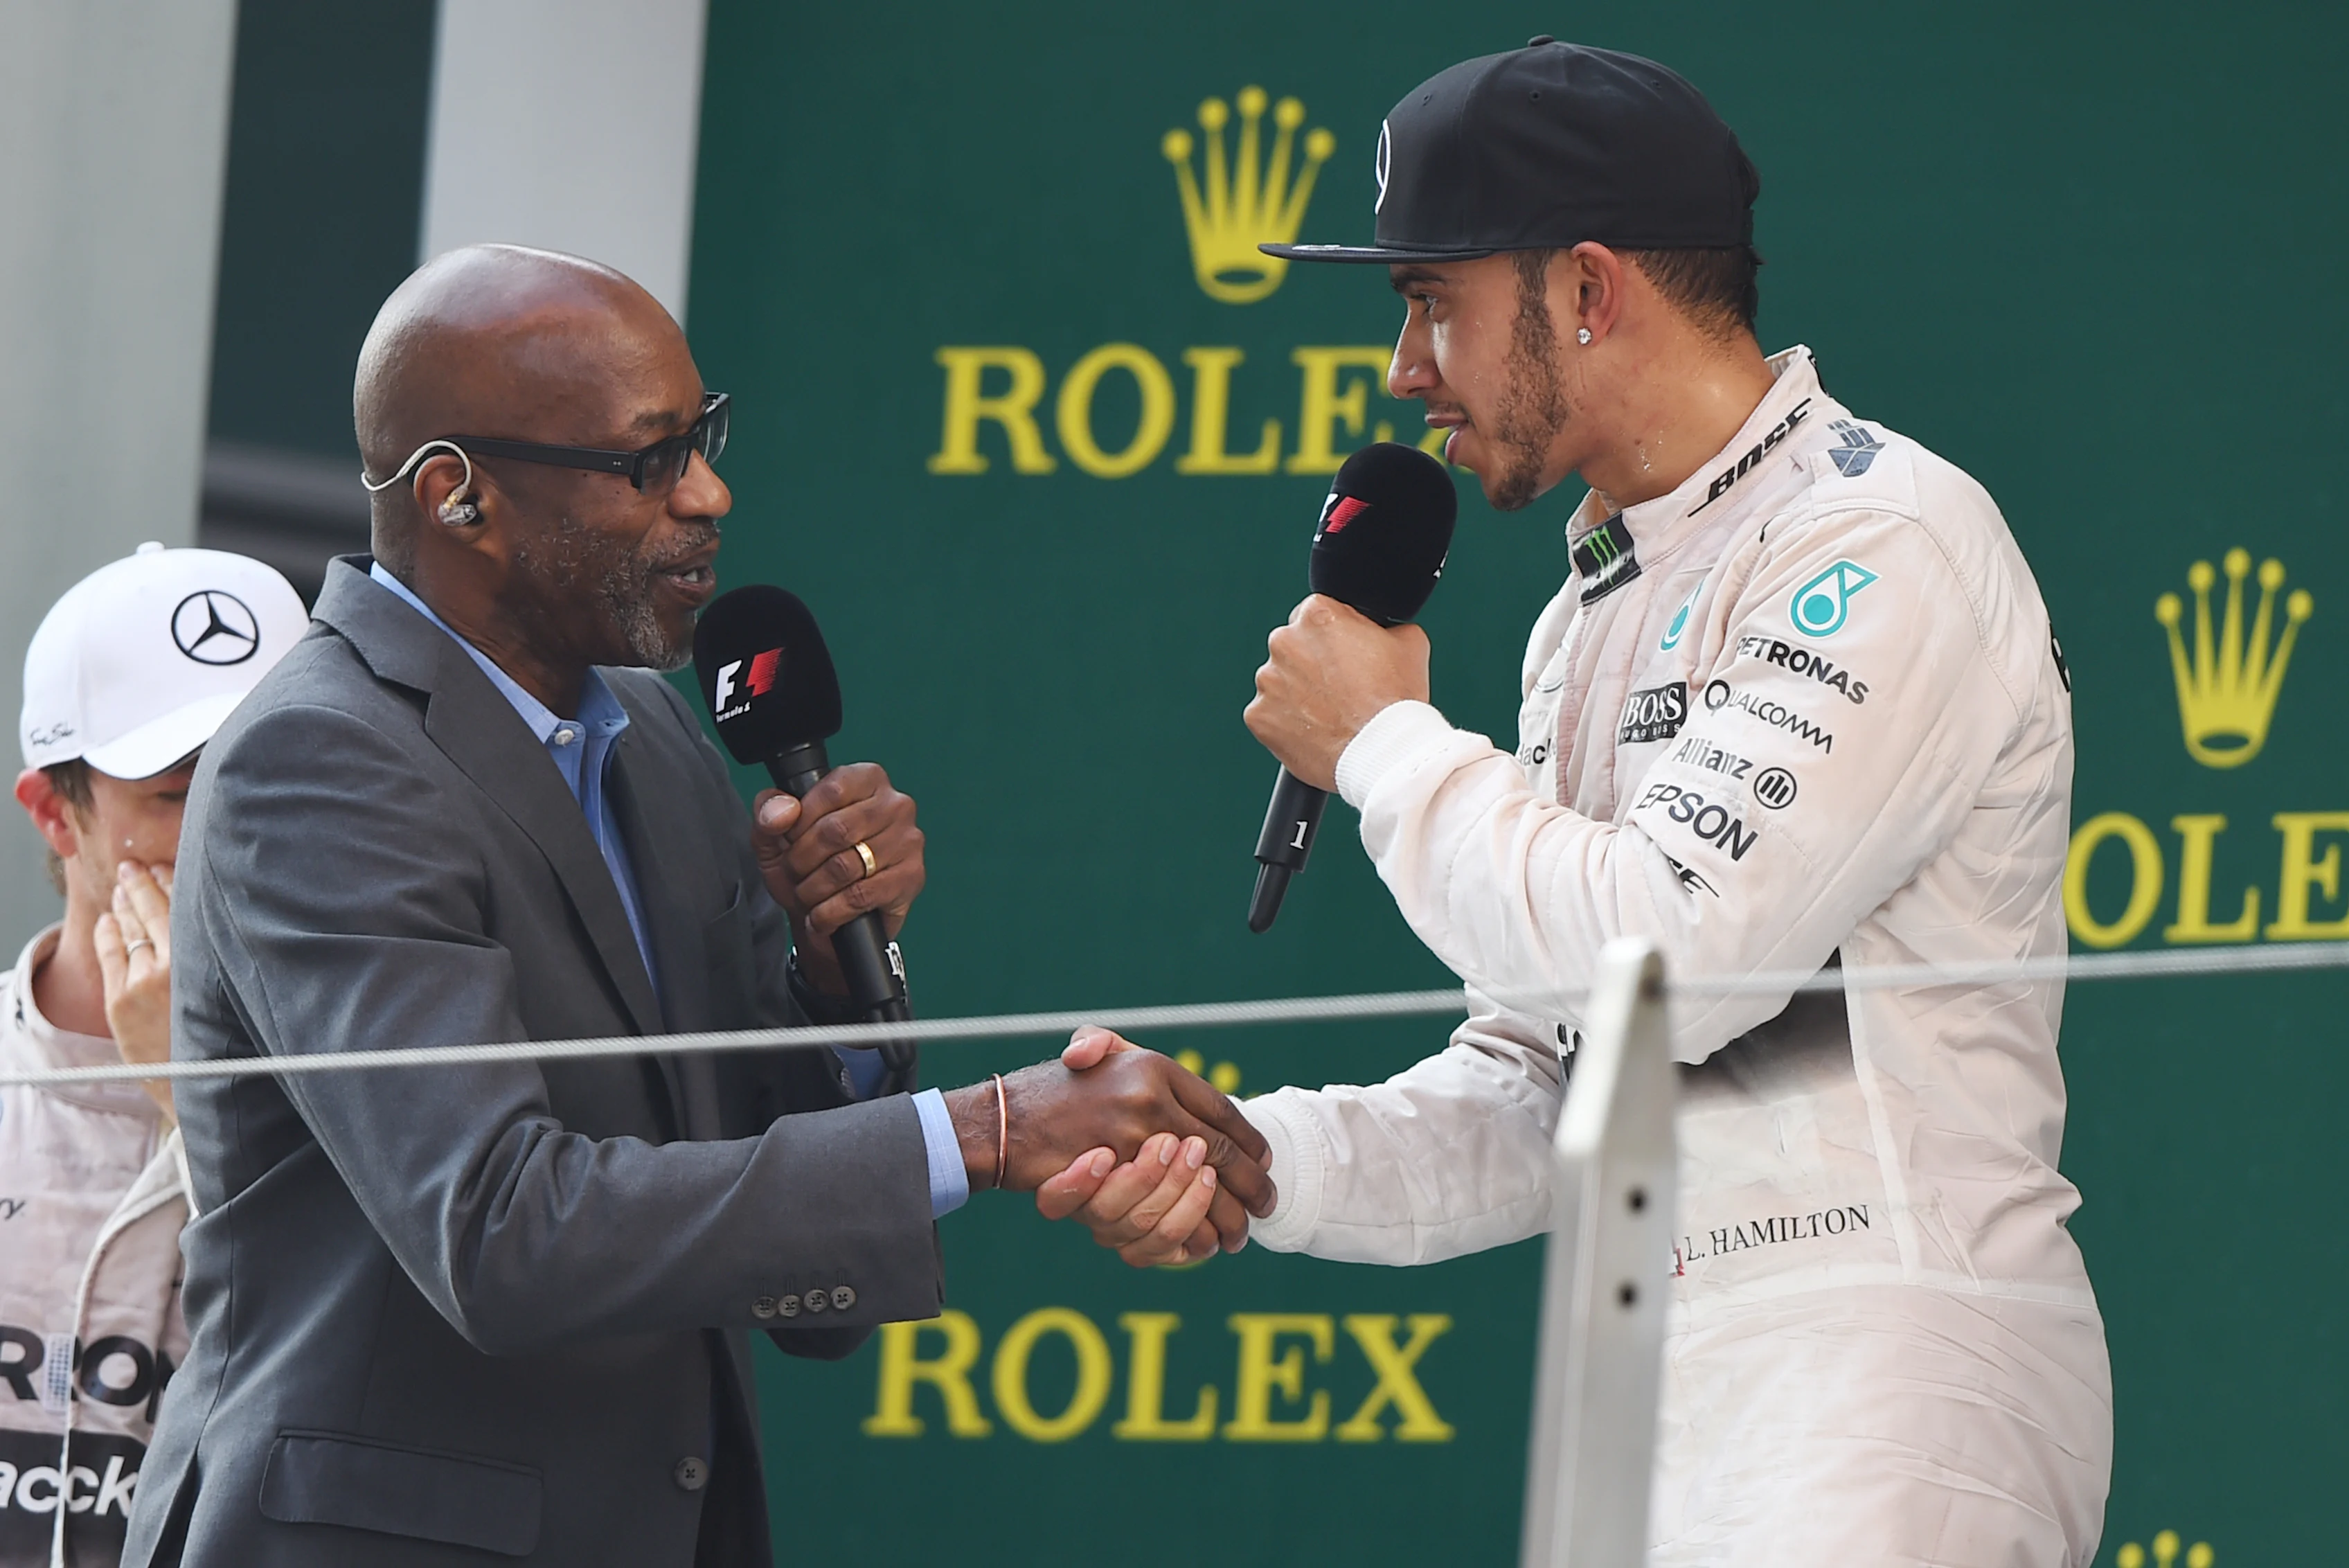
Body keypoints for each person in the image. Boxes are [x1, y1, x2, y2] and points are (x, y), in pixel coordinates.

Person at [1045, 39, 2111, 1567]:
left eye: (1431, 305)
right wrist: (1253, 1160)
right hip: (1649, 1396)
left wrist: (1388, 749)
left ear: (1590, 291)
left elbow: (1669, 972)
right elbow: (1557, 1082)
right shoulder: (1587, 610)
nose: (1404, 371)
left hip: (1883, 1381)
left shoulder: (1879, 540)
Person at [122, 244, 1269, 1568]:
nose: (710, 495)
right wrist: (984, 1127)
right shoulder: (322, 760)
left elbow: (798, 1295)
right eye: (646, 462)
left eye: (704, 436)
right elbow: (502, 1233)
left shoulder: (661, 741)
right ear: (458, 495)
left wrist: (832, 982)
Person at [3, 544, 307, 1567]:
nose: (243, 831)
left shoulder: (389, 1084)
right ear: (54, 812)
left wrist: (201, 1091)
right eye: (179, 794)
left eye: (278, 775)